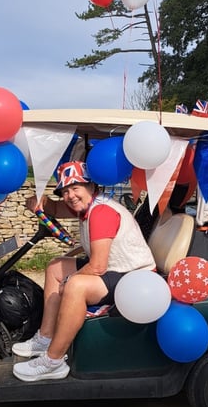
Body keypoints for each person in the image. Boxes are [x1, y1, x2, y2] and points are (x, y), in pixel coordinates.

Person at [12, 160, 156, 382]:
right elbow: (58, 209)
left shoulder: (100, 212)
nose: (70, 195)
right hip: (115, 269)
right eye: (66, 191)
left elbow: (97, 266)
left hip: (134, 276)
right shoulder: (88, 206)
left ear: (91, 186)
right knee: (55, 267)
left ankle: (53, 360)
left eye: (75, 188)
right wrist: (41, 202)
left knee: (75, 286)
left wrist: (69, 281)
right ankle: (46, 337)